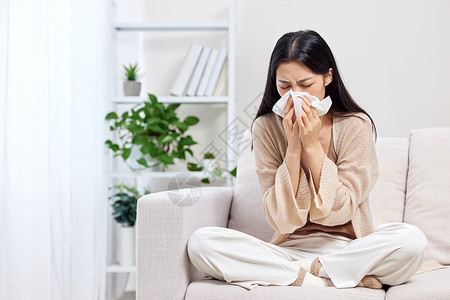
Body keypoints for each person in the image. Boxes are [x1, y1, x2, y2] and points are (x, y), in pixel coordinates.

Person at [187, 29, 427, 290]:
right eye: (285, 86)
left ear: (328, 77)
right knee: (202, 243)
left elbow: (341, 210)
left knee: (411, 240)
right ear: (274, 83)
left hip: (350, 248)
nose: (295, 96)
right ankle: (324, 278)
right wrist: (293, 148)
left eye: (306, 84)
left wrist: (312, 146)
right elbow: (282, 221)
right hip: (290, 251)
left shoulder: (356, 125)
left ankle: (307, 274)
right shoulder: (266, 128)